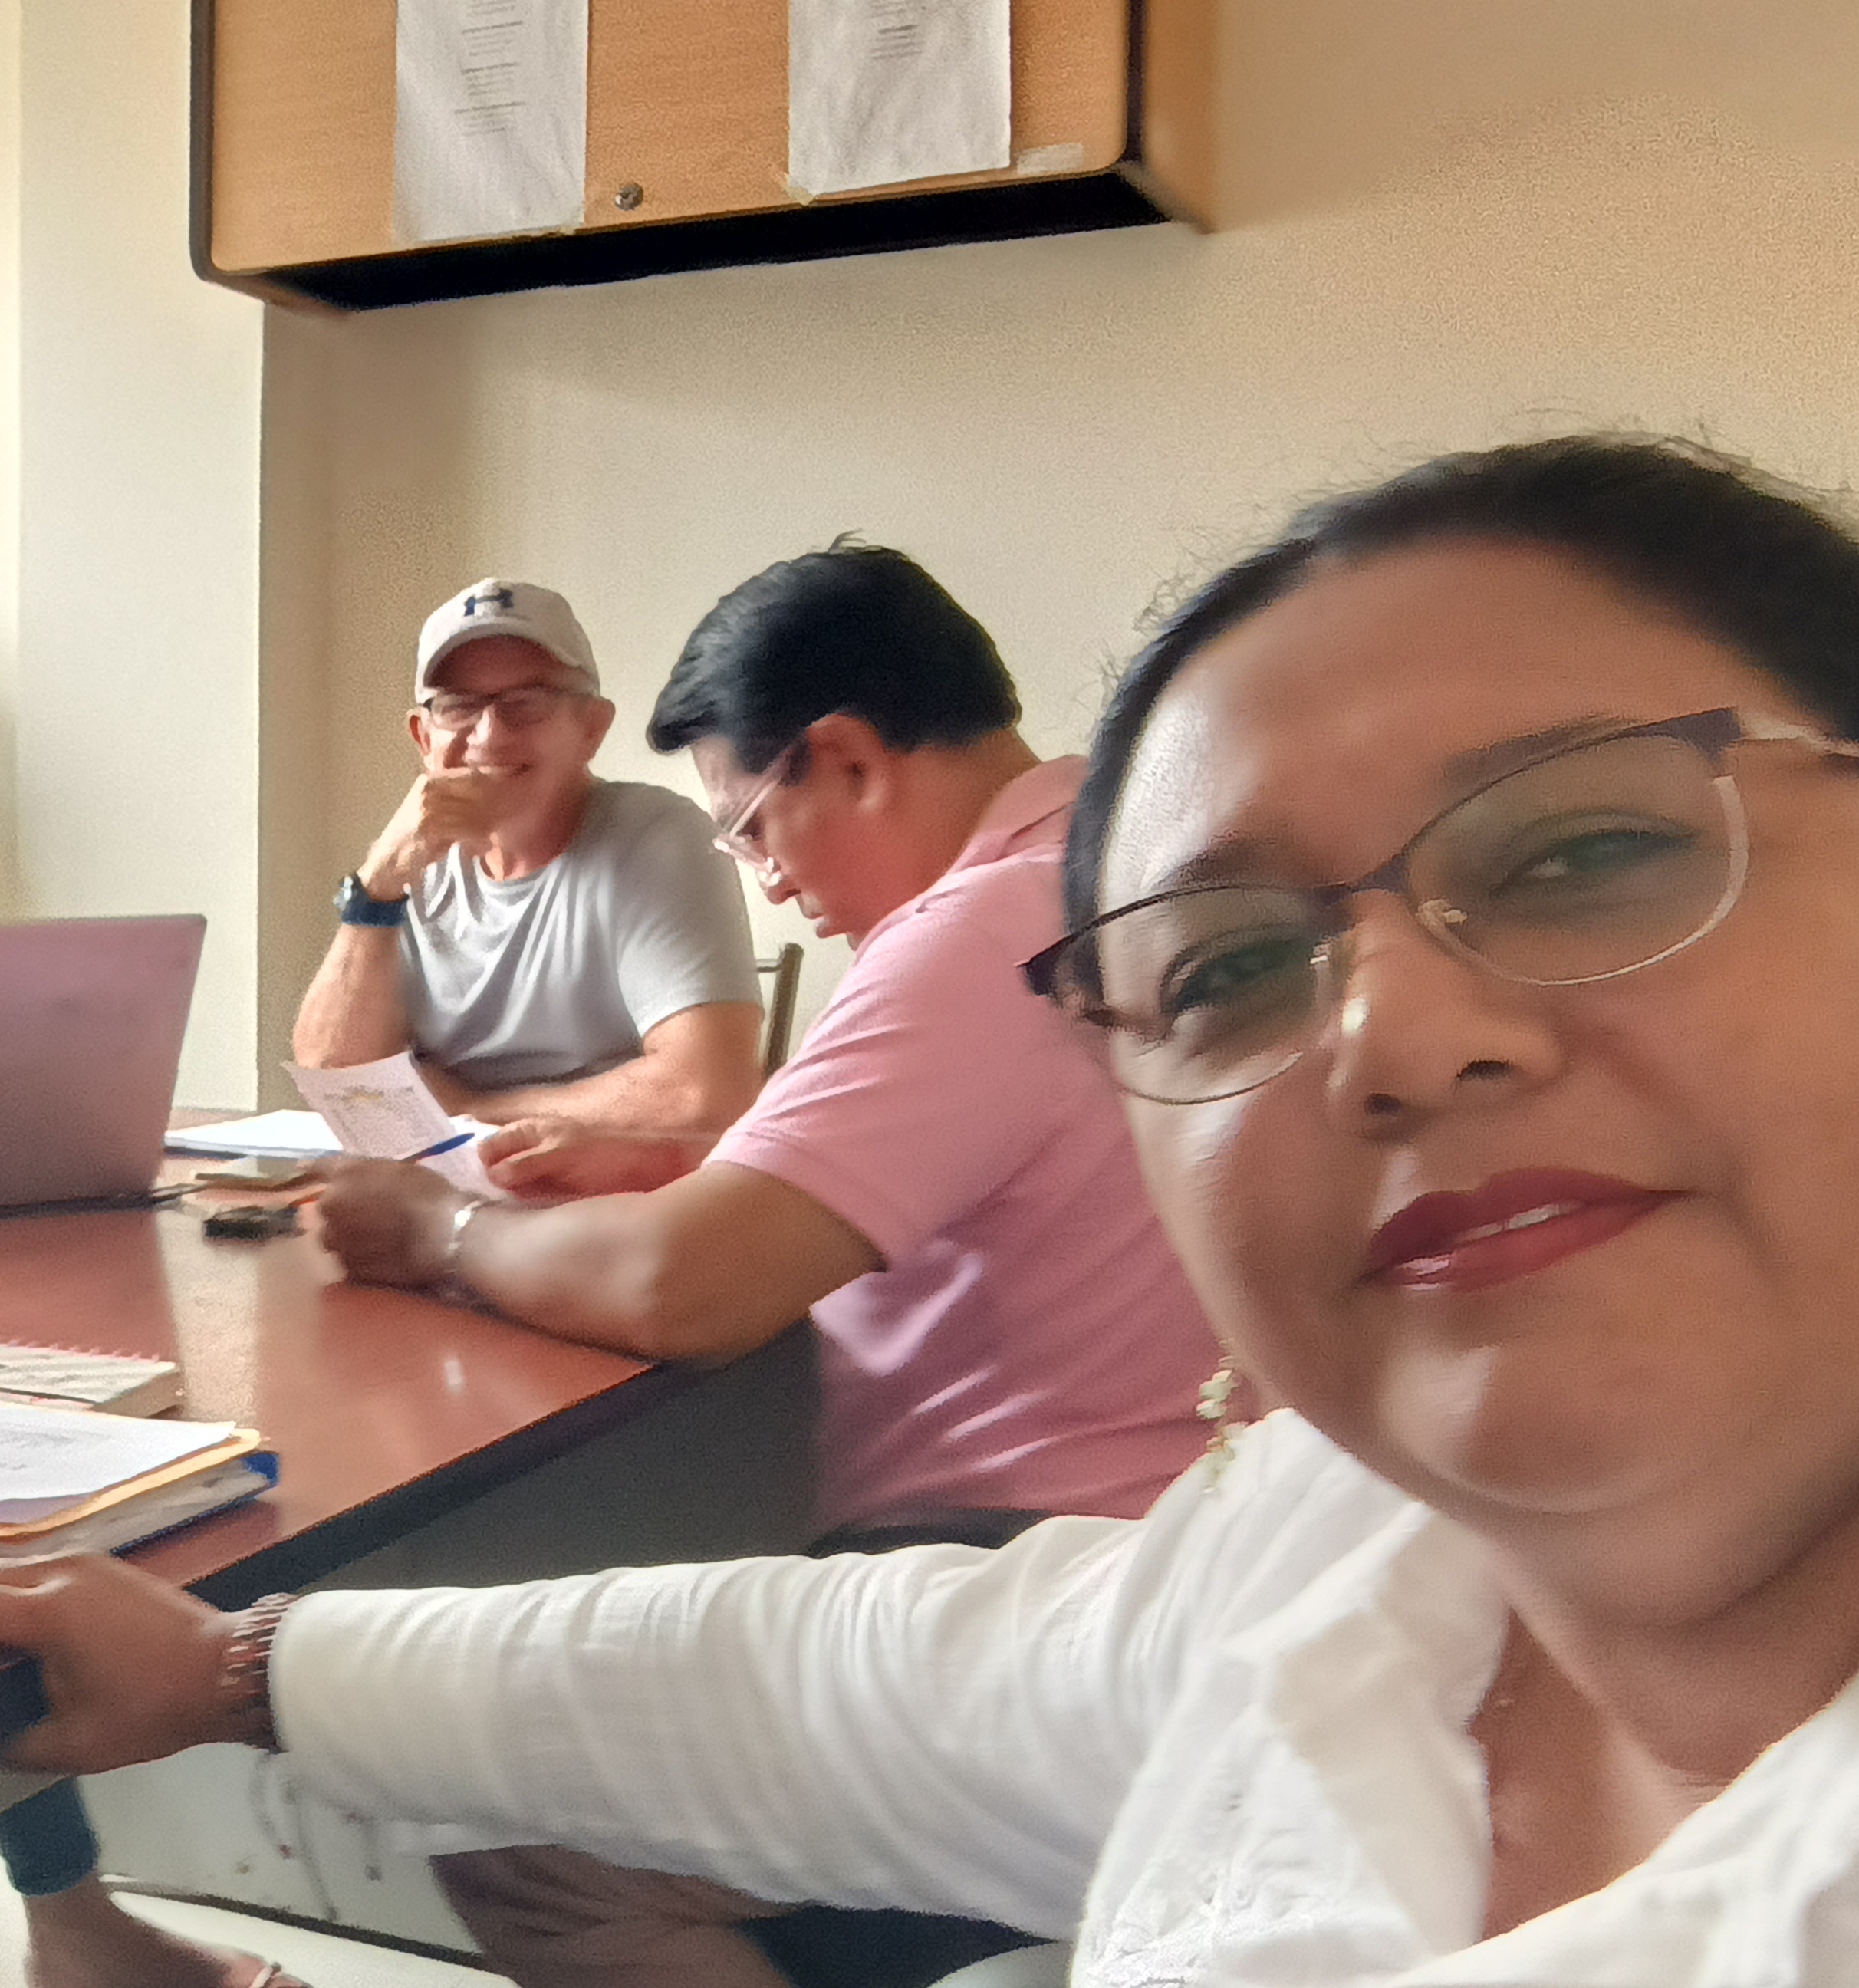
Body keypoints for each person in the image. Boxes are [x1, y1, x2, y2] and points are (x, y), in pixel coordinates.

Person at [0, 435, 1859, 1983]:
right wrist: (232, 1667)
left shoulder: (961, 929)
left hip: (967, 1495)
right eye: (1230, 968)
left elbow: (702, 1258)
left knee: (536, 1866)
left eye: (1588, 852)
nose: (1396, 1038)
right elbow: (898, 1681)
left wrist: (448, 1229)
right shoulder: (1354, 1546)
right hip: (987, 1548)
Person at [282, 545, 1219, 1983]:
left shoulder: (978, 933)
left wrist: (436, 1232)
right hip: (1176, 1549)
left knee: (514, 1826)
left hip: (1027, 1584)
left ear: (842, 760)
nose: (770, 886)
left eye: (755, 827)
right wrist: (678, 1170)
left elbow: (686, 1287)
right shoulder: (1124, 867)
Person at [294, 577, 763, 1137]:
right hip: (434, 1179)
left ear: (591, 728)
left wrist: (468, 1111)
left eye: (527, 703)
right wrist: (379, 881)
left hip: (602, 1182)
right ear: (423, 737)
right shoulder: (411, 864)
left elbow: (705, 1094)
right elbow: (336, 1076)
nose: (489, 734)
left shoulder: (659, 837)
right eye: (458, 706)